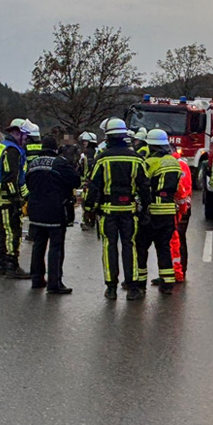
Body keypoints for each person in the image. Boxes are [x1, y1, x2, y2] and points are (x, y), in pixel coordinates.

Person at [85, 118, 149, 300]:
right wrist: (145, 209)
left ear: (108, 137)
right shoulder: (136, 158)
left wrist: (89, 208)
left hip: (107, 212)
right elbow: (144, 187)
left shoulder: (101, 159)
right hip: (129, 211)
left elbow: (93, 186)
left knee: (109, 247)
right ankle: (133, 287)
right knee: (130, 246)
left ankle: (111, 287)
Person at [25, 135, 81, 293]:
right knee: (56, 246)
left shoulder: (33, 163)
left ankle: (37, 279)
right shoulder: (60, 163)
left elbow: (26, 182)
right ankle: (54, 283)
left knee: (38, 244)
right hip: (55, 210)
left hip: (35, 210)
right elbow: (75, 181)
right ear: (56, 148)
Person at [0, 119, 32, 279]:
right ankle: (12, 266)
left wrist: (26, 195)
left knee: (2, 231)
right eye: (25, 136)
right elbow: (10, 178)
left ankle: (0, 265)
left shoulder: (2, 146)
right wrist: (16, 200)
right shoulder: (12, 151)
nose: (26, 139)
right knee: (13, 232)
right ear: (17, 133)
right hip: (6, 199)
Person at [140, 129, 181, 294]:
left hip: (152, 210)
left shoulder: (150, 163)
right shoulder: (174, 162)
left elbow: (143, 185)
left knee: (142, 247)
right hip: (169, 210)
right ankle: (167, 283)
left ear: (151, 146)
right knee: (163, 247)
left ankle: (139, 284)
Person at [175, 151, 193, 280]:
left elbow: (184, 188)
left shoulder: (179, 165)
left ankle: (180, 269)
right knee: (176, 240)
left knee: (179, 238)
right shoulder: (181, 163)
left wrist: (182, 206)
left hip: (181, 208)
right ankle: (177, 269)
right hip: (182, 206)